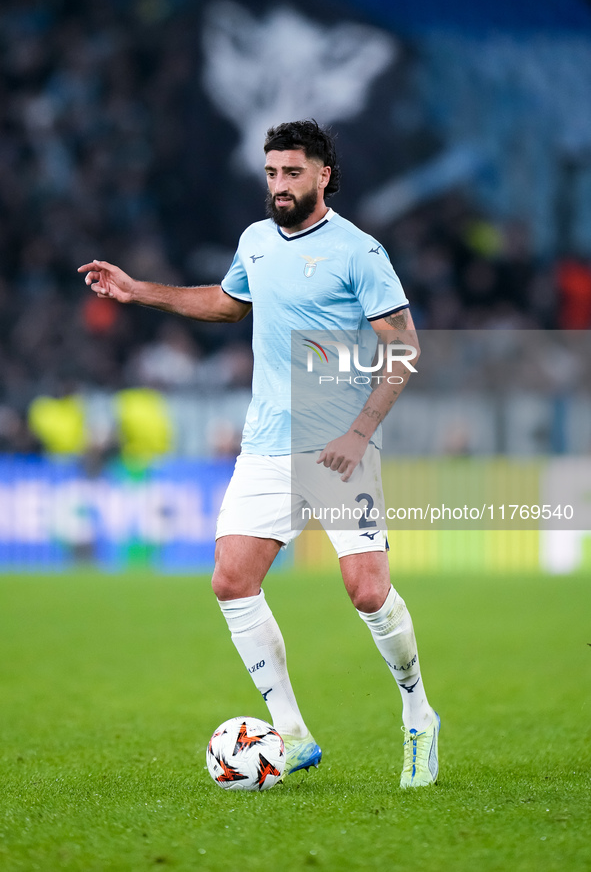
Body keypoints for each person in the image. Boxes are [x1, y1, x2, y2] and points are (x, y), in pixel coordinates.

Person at [79, 120, 439, 788]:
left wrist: (359, 431)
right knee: (230, 579)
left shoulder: (359, 251)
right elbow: (227, 303)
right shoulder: (254, 241)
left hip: (339, 444)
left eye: (292, 173)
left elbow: (404, 348)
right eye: (272, 173)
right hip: (267, 442)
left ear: (323, 174)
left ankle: (417, 714)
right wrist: (138, 291)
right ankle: (293, 733)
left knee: (366, 590)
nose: (279, 184)